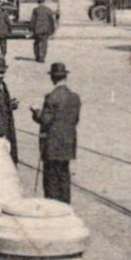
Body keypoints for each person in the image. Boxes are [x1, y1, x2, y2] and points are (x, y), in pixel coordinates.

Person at [32, 62, 81, 203]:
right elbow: (75, 120)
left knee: (51, 181)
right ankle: (66, 208)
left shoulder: (51, 97)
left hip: (51, 146)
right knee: (64, 177)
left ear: (52, 78)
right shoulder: (75, 97)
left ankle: (52, 210)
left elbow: (45, 120)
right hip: (68, 144)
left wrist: (35, 111)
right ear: (65, 77)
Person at [0, 58, 20, 164]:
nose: (0, 76)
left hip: (8, 124)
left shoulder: (3, 85)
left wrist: (11, 105)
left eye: (2, 73)